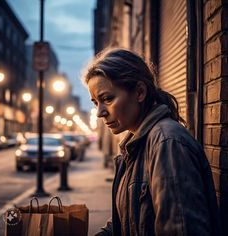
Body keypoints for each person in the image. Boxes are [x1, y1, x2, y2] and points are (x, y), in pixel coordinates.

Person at [83, 48, 221, 235]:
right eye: (95, 103)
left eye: (107, 99)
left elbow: (181, 229)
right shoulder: (134, 146)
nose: (100, 112)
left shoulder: (167, 143)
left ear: (140, 92)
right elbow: (125, 223)